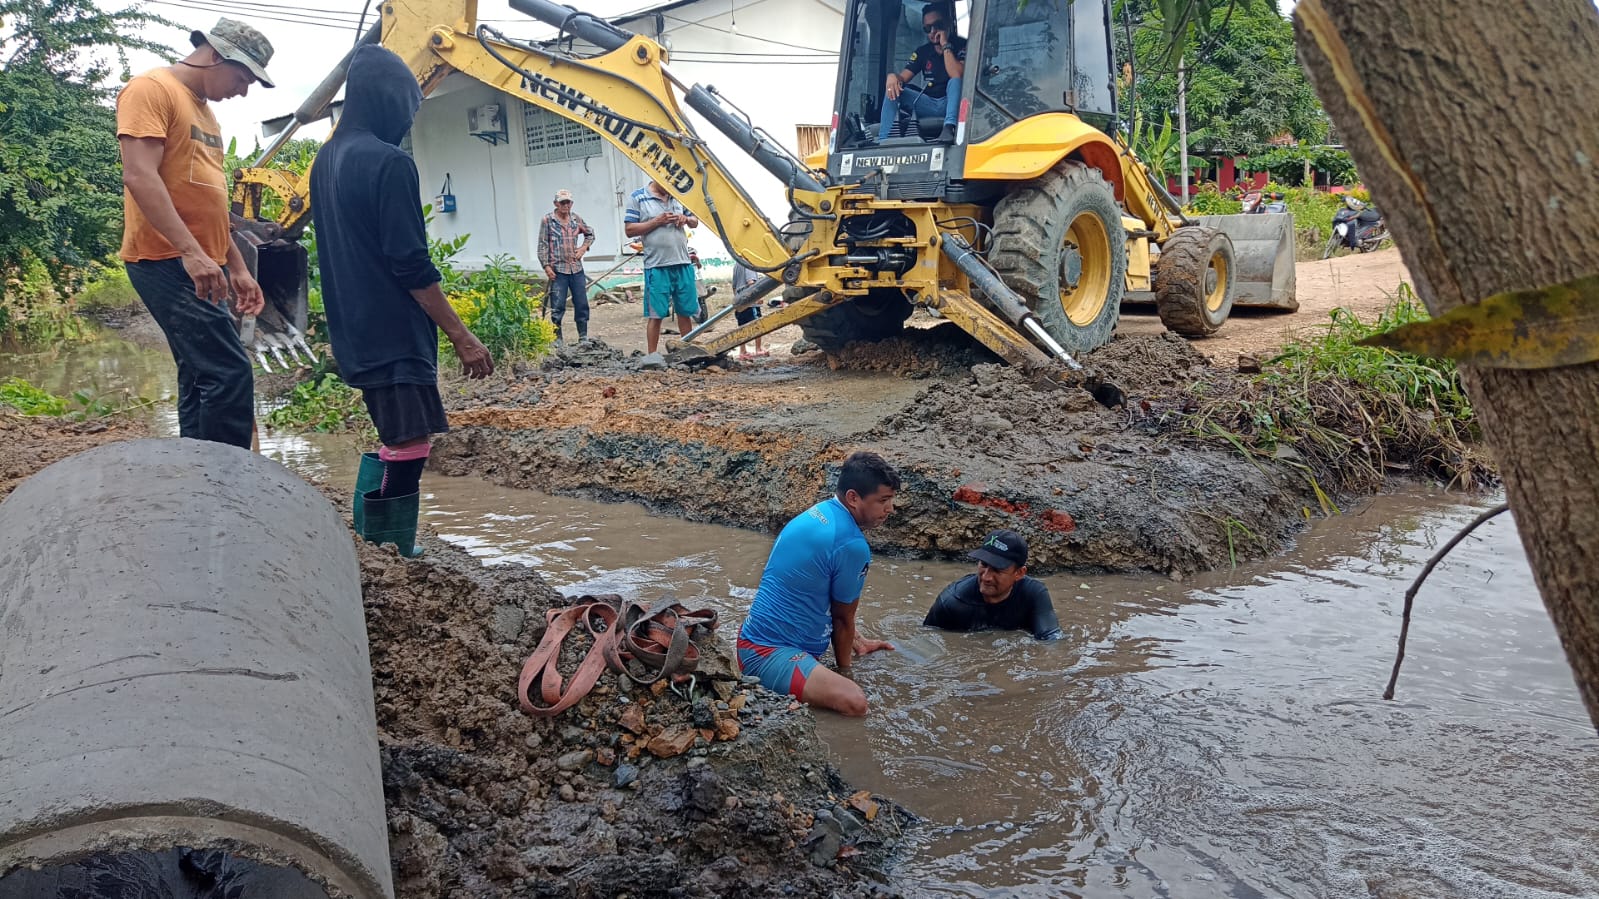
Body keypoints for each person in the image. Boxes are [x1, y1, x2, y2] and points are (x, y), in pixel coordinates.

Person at [311, 45, 494, 557]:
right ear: (386, 98)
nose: (410, 118)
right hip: (392, 331)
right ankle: (388, 548)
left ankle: (373, 544)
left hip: (355, 329)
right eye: (409, 107)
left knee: (395, 436)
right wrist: (462, 336)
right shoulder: (388, 162)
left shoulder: (326, 159)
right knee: (410, 440)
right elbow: (410, 264)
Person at [117, 17, 275, 449]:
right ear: (216, 55)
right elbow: (139, 176)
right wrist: (191, 252)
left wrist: (236, 266)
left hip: (202, 262)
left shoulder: (205, 113)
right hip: (165, 258)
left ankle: (195, 470)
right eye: (242, 78)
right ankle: (228, 479)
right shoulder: (151, 90)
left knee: (199, 373)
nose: (243, 91)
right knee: (229, 373)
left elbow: (209, 200)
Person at [738, 451, 900, 717]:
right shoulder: (851, 544)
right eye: (883, 500)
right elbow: (842, 618)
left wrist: (854, 638)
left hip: (752, 639)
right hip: (767, 655)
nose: (890, 509)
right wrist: (846, 673)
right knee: (855, 702)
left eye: (891, 499)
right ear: (853, 498)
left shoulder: (821, 513)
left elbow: (810, 594)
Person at [923, 530, 1062, 640]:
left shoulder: (1034, 594)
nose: (986, 577)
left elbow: (1051, 641)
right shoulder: (952, 602)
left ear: (1019, 573)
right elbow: (927, 639)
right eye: (984, 564)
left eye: (997, 569)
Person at [624, 180, 700, 355]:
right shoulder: (638, 197)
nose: (670, 189)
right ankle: (652, 356)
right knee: (656, 314)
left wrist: (686, 219)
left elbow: (695, 221)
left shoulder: (678, 195)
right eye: (667, 185)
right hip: (657, 265)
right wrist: (657, 221)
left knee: (685, 311)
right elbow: (629, 230)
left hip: (682, 262)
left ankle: (687, 353)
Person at [878, 3, 966, 144]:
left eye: (937, 25)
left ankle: (949, 128)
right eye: (927, 28)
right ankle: (883, 140)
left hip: (953, 102)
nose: (933, 31)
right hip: (928, 103)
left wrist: (945, 45)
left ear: (947, 23)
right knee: (892, 89)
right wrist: (892, 77)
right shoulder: (922, 52)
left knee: (954, 81)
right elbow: (903, 78)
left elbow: (956, 74)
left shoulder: (962, 45)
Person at [536, 188, 596, 345]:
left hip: (576, 268)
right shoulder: (548, 220)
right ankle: (557, 338)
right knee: (557, 305)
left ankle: (583, 336)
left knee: (581, 303)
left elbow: (590, 233)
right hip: (558, 270)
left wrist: (583, 248)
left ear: (572, 203)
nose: (565, 205)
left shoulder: (576, 219)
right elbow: (542, 245)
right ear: (556, 204)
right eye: (562, 202)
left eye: (568, 202)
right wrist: (546, 266)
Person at [730, 261, 767, 359]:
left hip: (740, 301)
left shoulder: (737, 265)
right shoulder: (748, 263)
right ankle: (758, 349)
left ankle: (742, 351)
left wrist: (738, 299)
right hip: (750, 302)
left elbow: (734, 286)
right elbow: (751, 282)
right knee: (757, 325)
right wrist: (757, 298)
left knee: (742, 326)